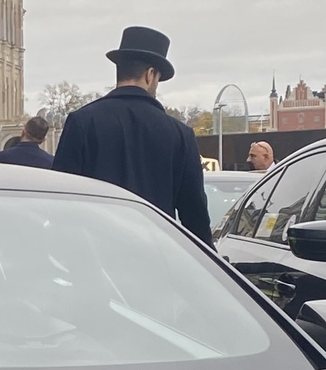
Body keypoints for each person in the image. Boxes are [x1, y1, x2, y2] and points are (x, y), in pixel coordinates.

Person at [51, 26, 212, 240]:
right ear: (150, 74)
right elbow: (195, 217)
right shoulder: (180, 134)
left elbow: (61, 201)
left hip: (94, 256)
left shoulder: (82, 122)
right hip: (157, 255)